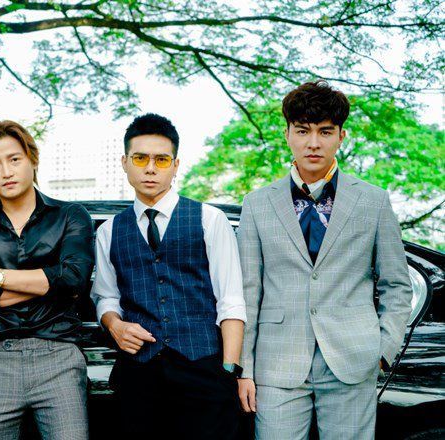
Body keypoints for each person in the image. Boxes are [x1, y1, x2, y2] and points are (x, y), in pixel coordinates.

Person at [236, 80, 413, 440]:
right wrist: (245, 368)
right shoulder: (257, 204)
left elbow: (397, 284)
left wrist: (383, 350)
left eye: (325, 131)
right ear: (287, 134)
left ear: (341, 136)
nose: (313, 143)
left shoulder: (373, 201)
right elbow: (247, 292)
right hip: (277, 363)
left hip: (354, 359)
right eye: (303, 131)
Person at [90, 113, 246, 439]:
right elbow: (106, 296)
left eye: (161, 160)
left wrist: (228, 371)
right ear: (124, 163)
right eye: (140, 158)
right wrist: (115, 325)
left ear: (175, 166)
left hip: (204, 369)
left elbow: (230, 300)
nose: (150, 168)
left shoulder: (209, 219)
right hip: (138, 374)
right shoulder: (109, 231)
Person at [0, 119, 94, 439]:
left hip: (59, 354)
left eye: (14, 159)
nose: (6, 171)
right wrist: (50, 283)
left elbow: (75, 279)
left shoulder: (71, 215)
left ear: (32, 159)